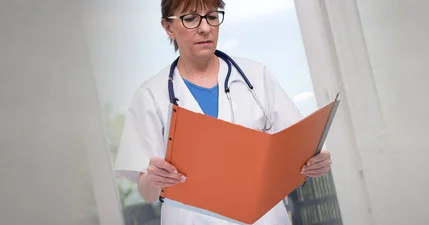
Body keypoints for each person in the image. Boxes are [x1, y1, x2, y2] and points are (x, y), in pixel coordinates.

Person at [113, 0, 333, 224]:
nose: (205, 28)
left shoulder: (257, 77)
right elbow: (147, 193)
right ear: (168, 27)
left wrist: (317, 159)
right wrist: (153, 177)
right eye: (190, 19)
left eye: (212, 16)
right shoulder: (151, 95)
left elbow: (300, 146)